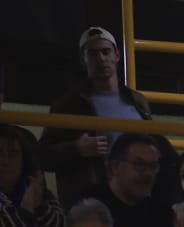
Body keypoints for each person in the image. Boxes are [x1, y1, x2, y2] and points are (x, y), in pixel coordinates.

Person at [38, 27, 154, 207]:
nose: (100, 58)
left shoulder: (138, 101)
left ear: (117, 55)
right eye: (92, 53)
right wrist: (77, 149)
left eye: (105, 52)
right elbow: (44, 156)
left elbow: (152, 148)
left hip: (137, 201)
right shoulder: (68, 105)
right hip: (92, 205)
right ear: (82, 59)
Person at [83, 132, 172, 227]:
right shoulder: (88, 208)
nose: (148, 173)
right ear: (115, 167)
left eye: (153, 166)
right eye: (139, 164)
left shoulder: (162, 215)